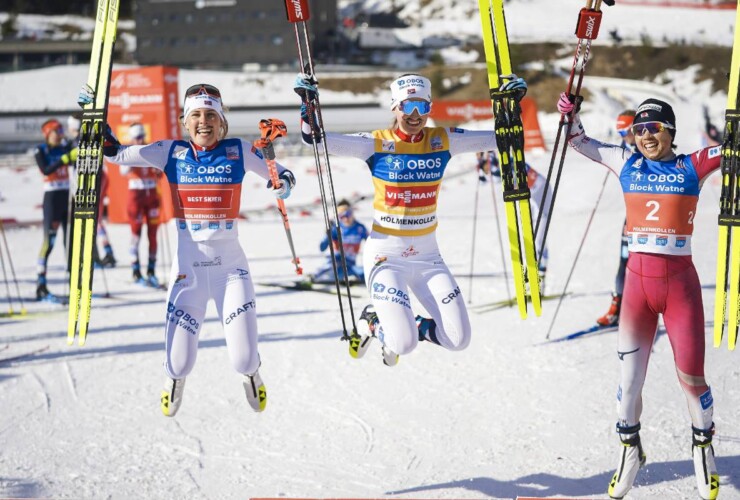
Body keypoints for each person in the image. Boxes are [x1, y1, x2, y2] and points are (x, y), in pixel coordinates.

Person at [80, 82, 296, 417]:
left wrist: (282, 184)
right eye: (196, 114)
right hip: (188, 273)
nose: (203, 121)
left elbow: (280, 174)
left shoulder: (238, 149)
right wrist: (97, 127)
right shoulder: (170, 151)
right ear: (185, 121)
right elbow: (117, 154)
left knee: (243, 358)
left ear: (222, 121)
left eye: (211, 114)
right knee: (179, 363)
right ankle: (174, 380)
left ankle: (252, 374)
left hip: (231, 273)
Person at [295, 73, 526, 365]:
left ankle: (407, 324)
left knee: (458, 339)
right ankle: (374, 320)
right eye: (407, 106)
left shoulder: (444, 140)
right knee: (403, 345)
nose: (415, 115)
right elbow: (315, 141)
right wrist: (308, 105)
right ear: (395, 107)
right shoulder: (375, 143)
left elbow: (504, 140)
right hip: (386, 257)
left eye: (422, 107)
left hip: (428, 258)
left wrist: (511, 107)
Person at [557, 93, 720, 500]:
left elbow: (733, 148)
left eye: (655, 128)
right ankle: (630, 451)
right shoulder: (625, 161)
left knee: (692, 379)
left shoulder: (691, 165)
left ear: (670, 132)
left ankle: (703, 449)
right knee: (628, 386)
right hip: (637, 290)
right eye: (640, 129)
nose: (646, 136)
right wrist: (570, 114)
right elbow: (577, 141)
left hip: (680, 286)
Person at [477, 151, 551, 290]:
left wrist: (483, 163)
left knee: (538, 238)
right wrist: (480, 163)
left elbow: (497, 177)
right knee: (531, 238)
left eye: (486, 167)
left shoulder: (503, 162)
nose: (487, 170)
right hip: (531, 196)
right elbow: (485, 180)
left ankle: (539, 281)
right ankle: (534, 278)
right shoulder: (496, 163)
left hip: (541, 192)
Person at [596, 110, 636, 327]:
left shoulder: (650, 147)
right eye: (619, 131)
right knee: (623, 261)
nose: (623, 136)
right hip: (631, 217)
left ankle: (643, 310)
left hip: (654, 220)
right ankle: (616, 307)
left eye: (626, 131)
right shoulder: (625, 149)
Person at [33, 119, 76, 302]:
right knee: (49, 243)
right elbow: (45, 169)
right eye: (56, 132)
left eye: (61, 131)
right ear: (48, 134)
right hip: (51, 200)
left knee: (70, 242)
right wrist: (65, 159)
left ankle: (74, 285)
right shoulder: (41, 150)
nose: (60, 135)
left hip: (66, 197)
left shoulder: (64, 147)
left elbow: (75, 157)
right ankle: (41, 286)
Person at [117, 122, 162, 287]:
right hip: (136, 196)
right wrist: (132, 159)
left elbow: (160, 171)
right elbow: (122, 171)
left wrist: (158, 169)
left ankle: (151, 271)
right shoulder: (129, 151)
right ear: (132, 138)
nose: (140, 140)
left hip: (151, 196)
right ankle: (135, 270)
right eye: (137, 137)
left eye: (142, 136)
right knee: (136, 234)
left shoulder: (151, 149)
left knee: (153, 234)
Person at [311, 199, 368, 284]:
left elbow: (371, 243)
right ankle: (314, 277)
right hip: (334, 262)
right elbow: (322, 248)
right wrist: (328, 233)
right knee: (331, 267)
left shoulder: (360, 228)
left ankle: (350, 278)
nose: (345, 219)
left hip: (349, 264)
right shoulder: (336, 228)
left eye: (347, 214)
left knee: (364, 273)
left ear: (352, 213)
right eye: (341, 216)